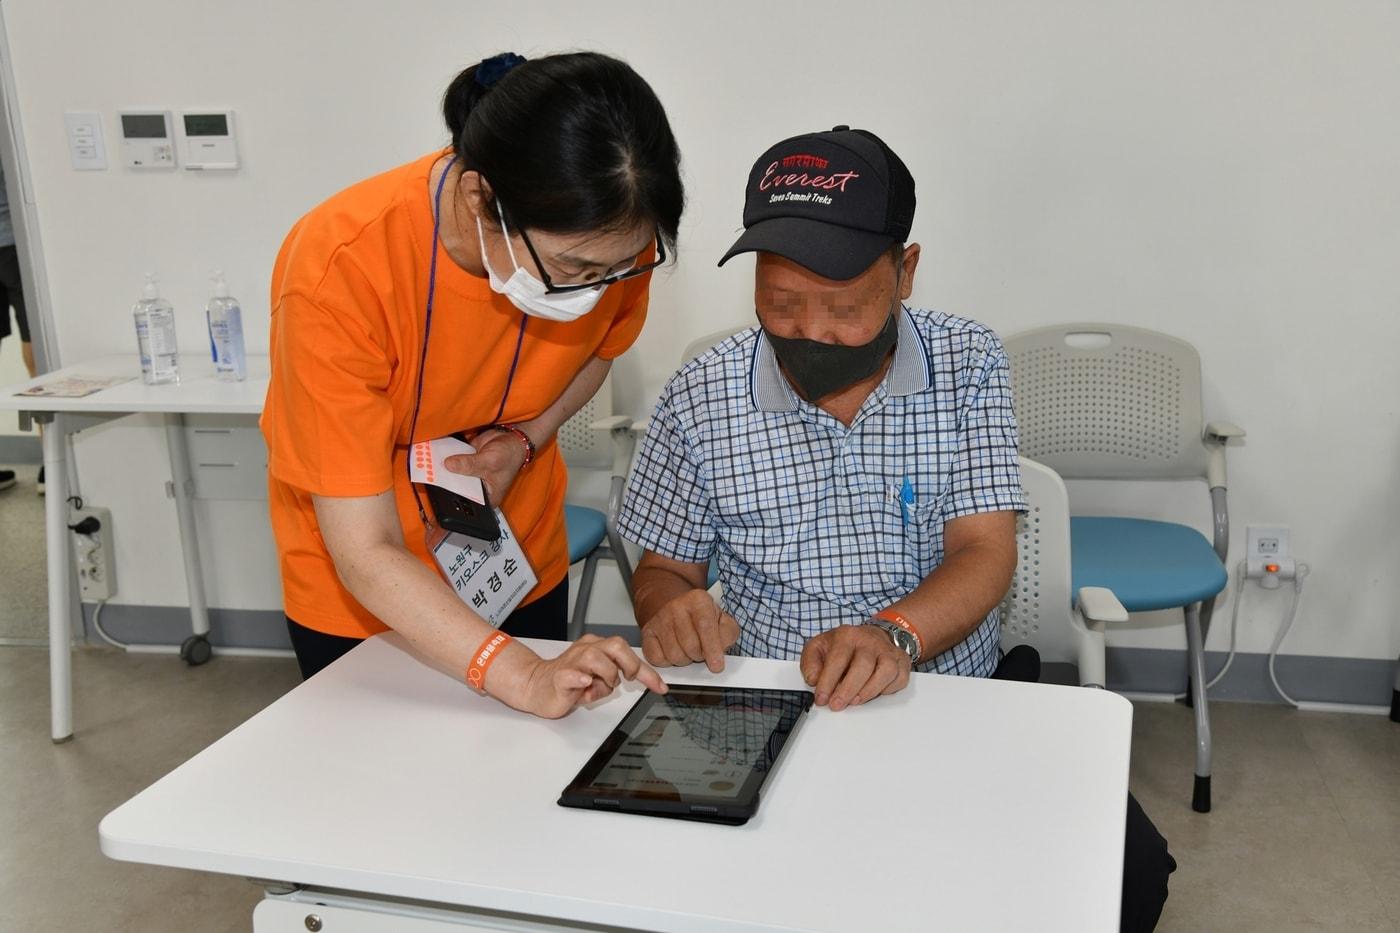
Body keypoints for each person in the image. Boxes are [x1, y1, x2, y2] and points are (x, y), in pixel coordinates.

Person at [617, 126, 1175, 930]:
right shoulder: (702, 390)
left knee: (1123, 877)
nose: (809, 329)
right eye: (779, 301)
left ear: (905, 272)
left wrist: (895, 634)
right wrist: (668, 610)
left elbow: (983, 552)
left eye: (843, 306)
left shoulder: (968, 363)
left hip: (940, 689)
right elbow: (663, 570)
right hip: (760, 701)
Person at [261, 51, 682, 718]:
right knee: (382, 798)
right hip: (369, 595)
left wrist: (528, 436)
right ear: (479, 197)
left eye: (623, 265)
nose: (599, 287)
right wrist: (520, 674)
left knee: (514, 789)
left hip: (506, 560)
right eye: (574, 268)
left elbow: (600, 349)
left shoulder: (611, 243)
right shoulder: (339, 268)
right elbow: (364, 548)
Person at [0, 160, 38, 494]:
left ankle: (49, 463)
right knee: (34, 344)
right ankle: (50, 464)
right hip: (14, 241)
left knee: (34, 346)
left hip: (13, 239)